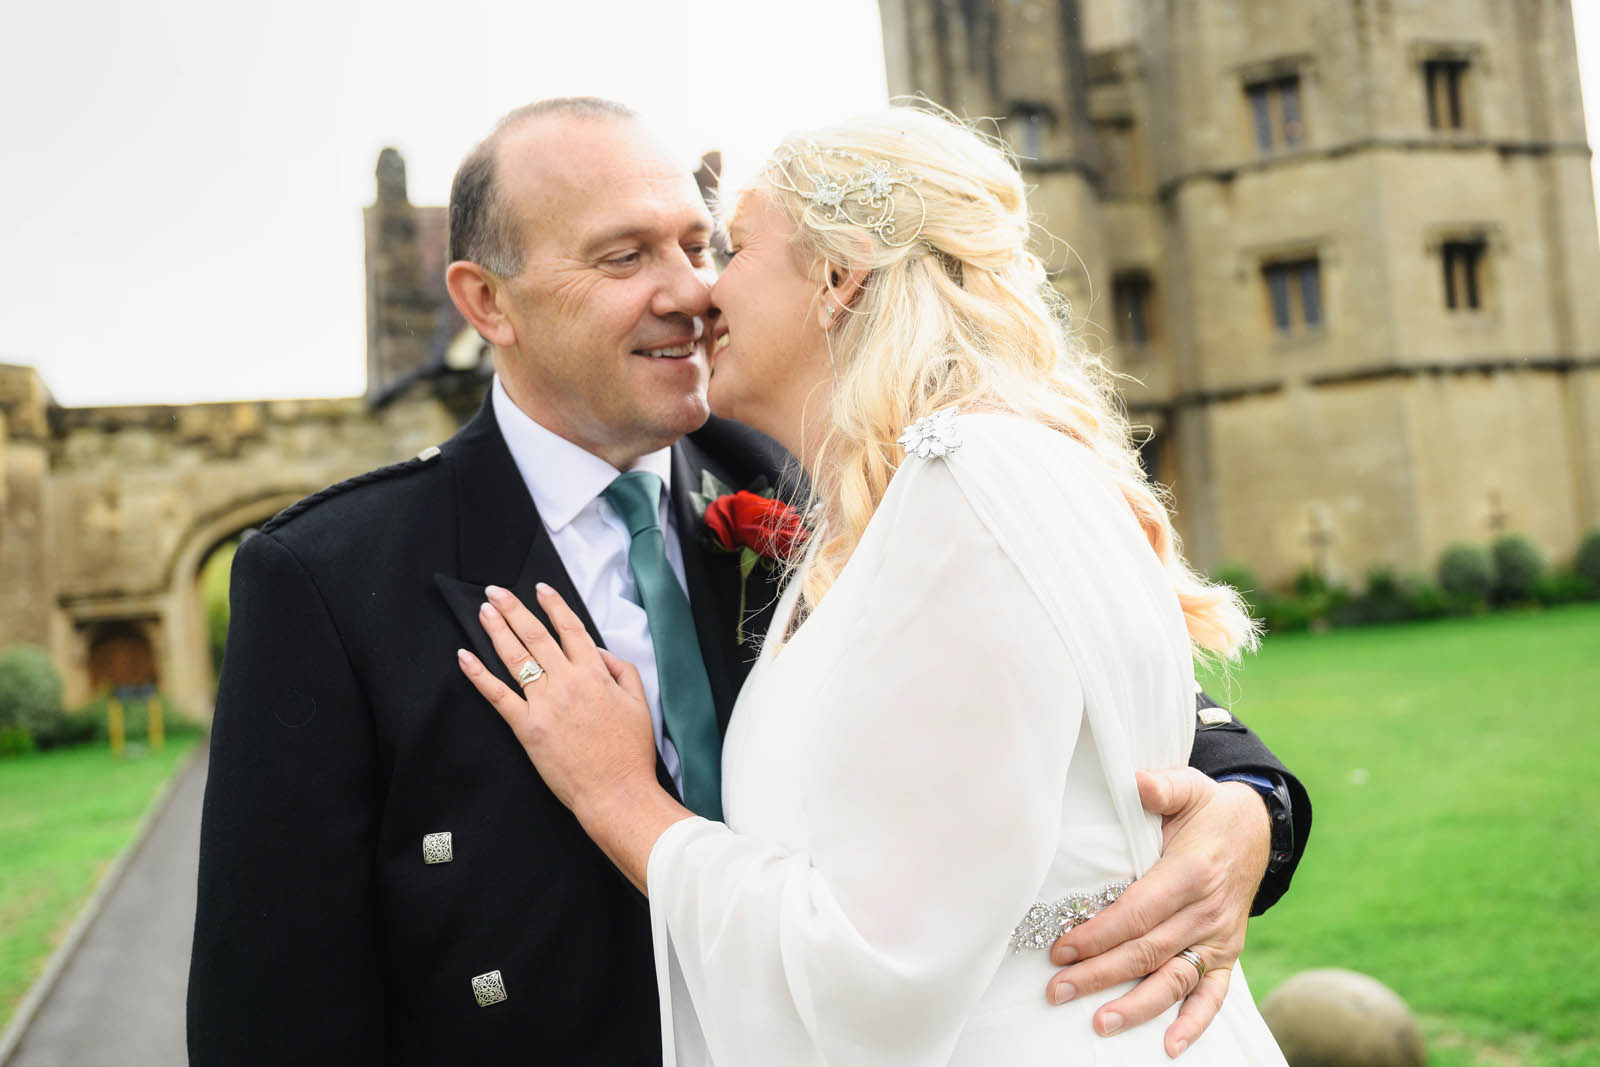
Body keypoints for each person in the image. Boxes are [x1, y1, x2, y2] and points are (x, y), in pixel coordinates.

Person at [188, 98, 1306, 1065]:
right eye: (625, 258)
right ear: (487, 304)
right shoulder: (330, 579)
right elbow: (276, 1011)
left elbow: (1108, 717)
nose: (690, 291)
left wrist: (1248, 811)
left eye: (701, 241)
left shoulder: (879, 474)